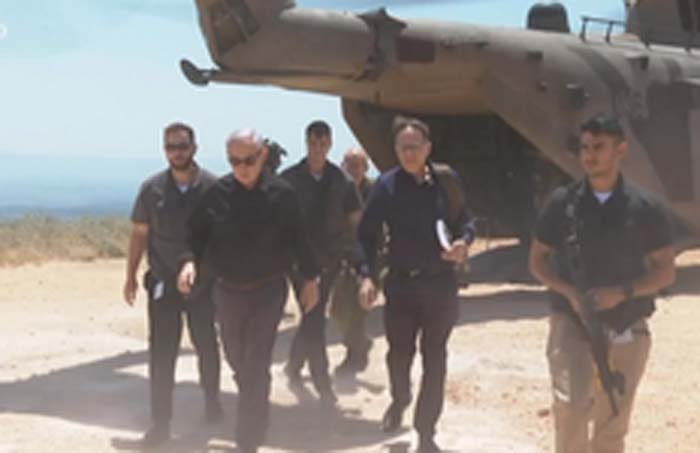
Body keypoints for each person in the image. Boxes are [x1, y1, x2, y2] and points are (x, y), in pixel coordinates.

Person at [529, 114, 676, 453]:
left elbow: (665, 271)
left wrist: (622, 293)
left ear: (620, 150)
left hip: (627, 322)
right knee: (571, 407)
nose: (589, 155)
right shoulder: (562, 203)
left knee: (612, 420)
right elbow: (537, 261)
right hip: (572, 320)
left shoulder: (645, 207)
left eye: (598, 147)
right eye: (585, 148)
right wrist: (569, 292)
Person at [177, 129, 320, 453]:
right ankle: (257, 406)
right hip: (228, 292)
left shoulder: (282, 194)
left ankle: (247, 440)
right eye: (234, 161)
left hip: (268, 291)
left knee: (255, 363)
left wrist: (310, 279)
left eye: (249, 160)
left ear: (263, 156)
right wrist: (188, 263)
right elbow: (193, 236)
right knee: (237, 359)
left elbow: (299, 239)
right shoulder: (217, 193)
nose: (242, 167)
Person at [357, 116, 476, 453]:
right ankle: (400, 399)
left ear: (427, 148)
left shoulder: (446, 182)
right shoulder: (387, 186)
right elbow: (365, 235)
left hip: (441, 286)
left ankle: (426, 431)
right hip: (401, 286)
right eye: (402, 148)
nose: (408, 153)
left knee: (435, 359)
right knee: (399, 355)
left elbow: (466, 220)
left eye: (414, 147)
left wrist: (464, 242)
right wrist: (366, 275)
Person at [123, 122, 222, 447]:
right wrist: (130, 275)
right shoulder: (152, 189)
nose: (176, 153)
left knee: (206, 344)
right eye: (170, 147)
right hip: (163, 282)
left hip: (202, 285)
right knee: (162, 353)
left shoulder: (213, 188)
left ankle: (212, 400)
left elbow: (223, 238)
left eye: (182, 146)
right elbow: (140, 234)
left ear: (194, 148)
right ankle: (161, 422)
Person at [280, 120, 363, 405]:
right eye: (313, 144)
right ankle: (322, 382)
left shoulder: (341, 181)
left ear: (330, 144)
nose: (317, 149)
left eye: (323, 144)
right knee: (314, 317)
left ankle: (294, 366)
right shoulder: (289, 179)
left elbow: (356, 220)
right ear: (307, 143)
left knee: (312, 315)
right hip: (299, 263)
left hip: (330, 260)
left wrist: (358, 257)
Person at [330, 147, 375, 376]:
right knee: (338, 309)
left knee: (358, 309)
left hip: (370, 257)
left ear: (366, 168)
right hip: (343, 256)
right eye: (350, 165)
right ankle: (361, 343)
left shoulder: (375, 191)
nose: (354, 170)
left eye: (358, 165)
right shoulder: (337, 190)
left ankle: (355, 356)